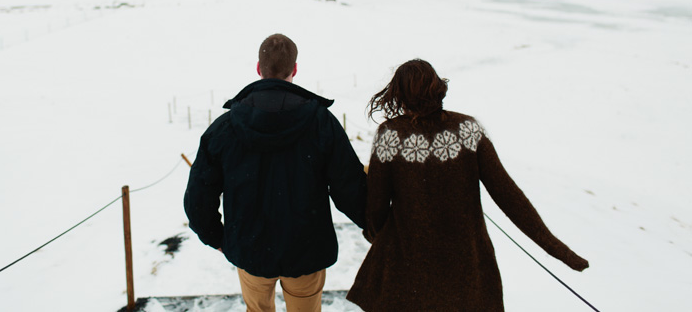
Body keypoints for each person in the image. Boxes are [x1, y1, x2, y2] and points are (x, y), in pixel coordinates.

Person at [346, 59, 589, 311]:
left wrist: (375, 234)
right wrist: (556, 248)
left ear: (399, 94)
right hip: (468, 265)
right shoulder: (468, 130)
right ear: (437, 88)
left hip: (407, 267)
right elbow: (508, 195)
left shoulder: (390, 136)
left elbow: (376, 205)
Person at [184, 33, 367, 312]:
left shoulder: (225, 128)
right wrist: (377, 224)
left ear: (259, 68)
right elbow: (349, 187)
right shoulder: (321, 123)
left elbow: (198, 196)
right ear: (294, 69)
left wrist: (217, 238)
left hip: (250, 249)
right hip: (306, 251)